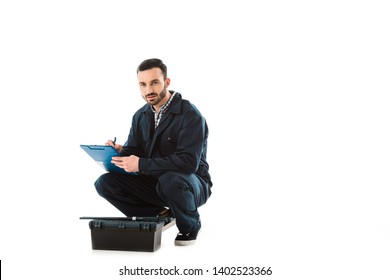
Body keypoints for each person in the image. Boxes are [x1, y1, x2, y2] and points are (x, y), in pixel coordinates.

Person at [94, 58, 212, 246]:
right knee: (104, 183)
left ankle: (190, 225)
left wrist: (141, 164)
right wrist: (120, 151)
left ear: (166, 82)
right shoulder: (140, 115)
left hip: (191, 184)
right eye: (143, 84)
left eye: (154, 83)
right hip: (155, 183)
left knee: (171, 179)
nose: (148, 90)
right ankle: (157, 214)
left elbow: (188, 163)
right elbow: (135, 151)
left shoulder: (190, 115)